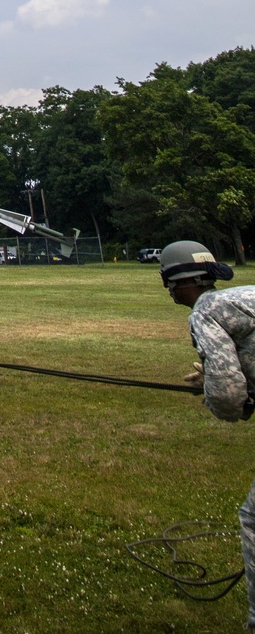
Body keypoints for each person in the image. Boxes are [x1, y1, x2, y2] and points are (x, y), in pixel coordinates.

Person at [159, 239, 255, 625]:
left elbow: (230, 398)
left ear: (179, 282)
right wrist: (214, 375)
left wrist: (215, 395)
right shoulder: (243, 298)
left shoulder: (206, 310)